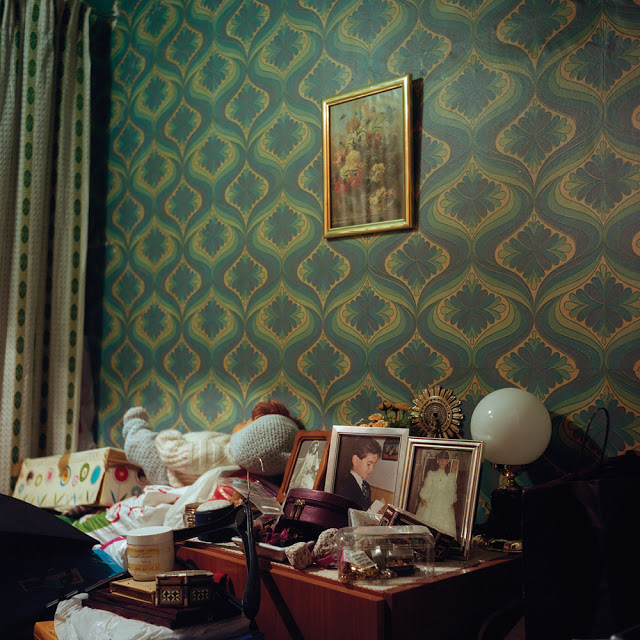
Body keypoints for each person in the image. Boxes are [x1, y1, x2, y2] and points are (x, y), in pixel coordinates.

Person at [415, 450, 457, 538]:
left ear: (448, 461)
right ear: (438, 460)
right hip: (431, 500)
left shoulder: (451, 476)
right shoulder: (431, 473)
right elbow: (427, 486)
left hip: (444, 502)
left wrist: (451, 501)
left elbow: (452, 490)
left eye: (445, 459)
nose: (442, 461)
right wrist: (423, 497)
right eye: (441, 459)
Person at [334, 437, 382, 510]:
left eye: (374, 465)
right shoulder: (343, 485)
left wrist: (371, 511)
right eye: (369, 464)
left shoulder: (366, 487)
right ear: (355, 460)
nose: (372, 469)